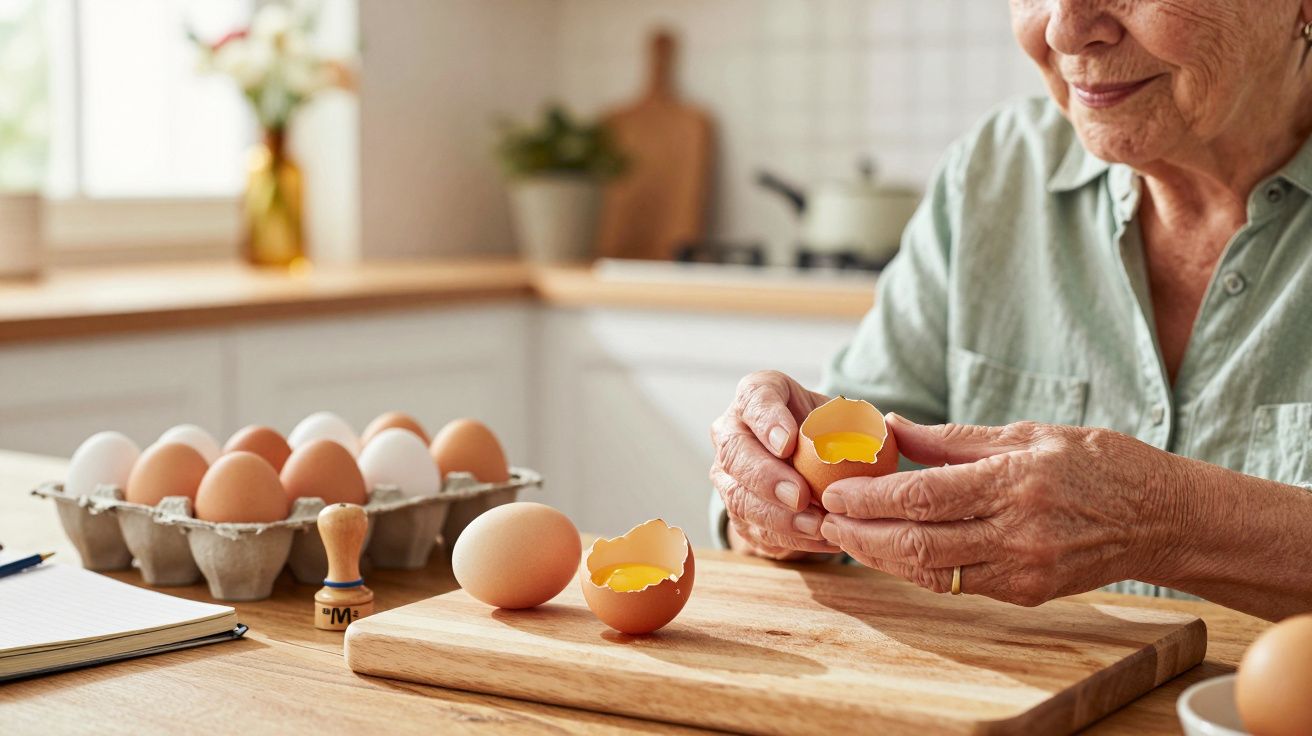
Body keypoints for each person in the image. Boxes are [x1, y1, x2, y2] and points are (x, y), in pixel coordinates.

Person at [709, 0, 1312, 622]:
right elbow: (857, 443)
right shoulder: (996, 170)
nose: (1064, 29)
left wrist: (1162, 519)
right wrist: (776, 504)